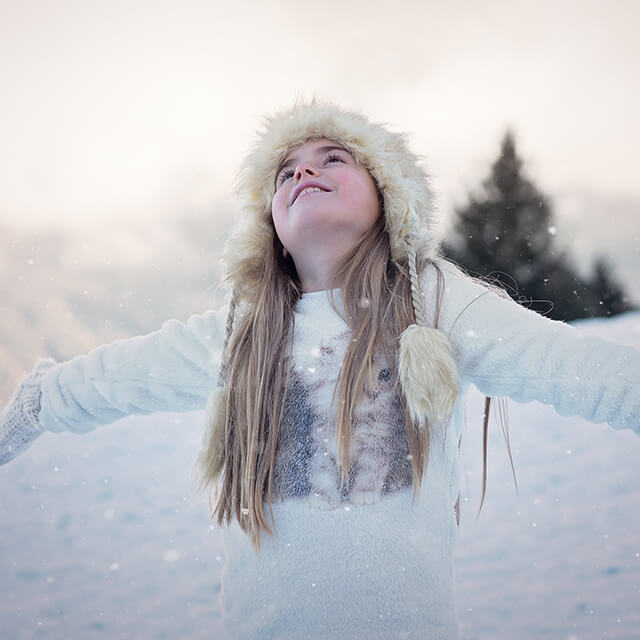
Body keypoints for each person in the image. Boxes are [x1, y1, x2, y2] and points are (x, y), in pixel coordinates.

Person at [1, 101, 639, 640]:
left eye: (334, 158)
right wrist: (34, 404)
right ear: (270, 230)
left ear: (388, 196)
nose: (304, 170)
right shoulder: (242, 334)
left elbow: (578, 370)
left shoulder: (433, 302)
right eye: (286, 173)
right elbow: (118, 376)